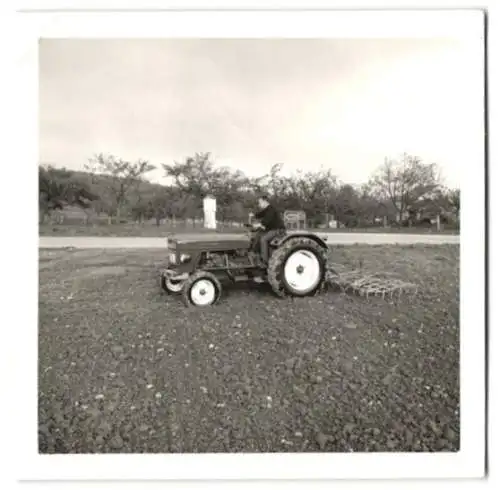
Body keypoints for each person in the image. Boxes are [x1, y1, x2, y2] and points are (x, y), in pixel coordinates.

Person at [253, 194, 286, 263]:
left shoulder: (271, 209)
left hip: (278, 230)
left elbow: (267, 220)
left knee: (263, 239)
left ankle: (264, 260)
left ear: (265, 201)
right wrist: (253, 215)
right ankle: (255, 254)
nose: (259, 204)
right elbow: (260, 214)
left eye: (260, 202)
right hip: (271, 229)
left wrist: (259, 224)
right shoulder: (267, 209)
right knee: (257, 235)